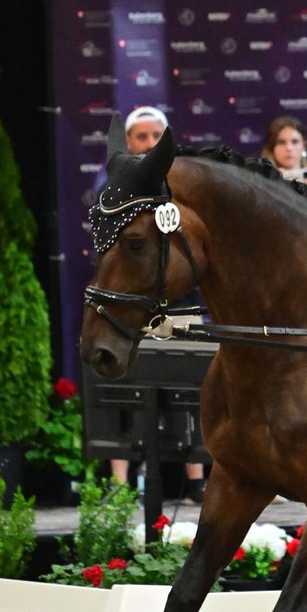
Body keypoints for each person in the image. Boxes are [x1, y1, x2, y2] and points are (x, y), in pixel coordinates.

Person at [106, 107, 207, 505]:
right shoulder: (113, 189)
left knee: (190, 386)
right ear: (128, 143)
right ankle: (118, 484)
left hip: (180, 299)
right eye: (141, 137)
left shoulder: (182, 186)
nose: (148, 144)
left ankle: (196, 480)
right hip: (129, 300)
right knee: (121, 384)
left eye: (155, 137)